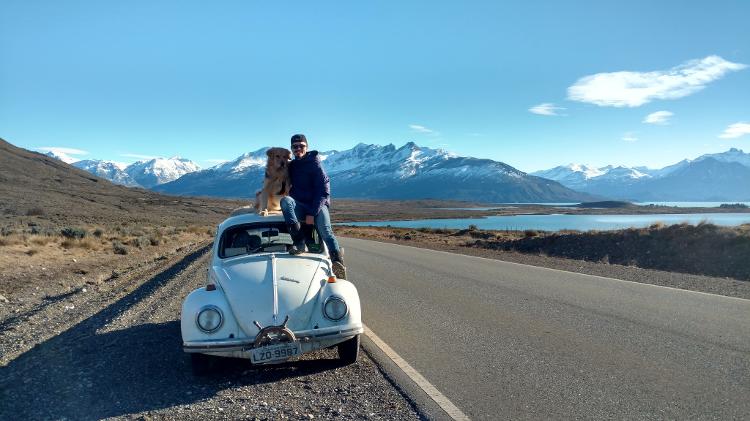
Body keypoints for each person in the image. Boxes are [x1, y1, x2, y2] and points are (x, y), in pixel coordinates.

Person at [280, 134, 347, 279]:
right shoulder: (292, 165)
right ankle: (299, 242)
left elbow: (323, 191)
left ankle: (337, 262)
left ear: (307, 147)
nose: (298, 149)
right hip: (299, 204)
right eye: (295, 146)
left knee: (325, 231)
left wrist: (311, 213)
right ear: (291, 149)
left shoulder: (315, 164)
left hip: (317, 204)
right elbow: (278, 179)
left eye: (301, 146)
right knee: (285, 202)